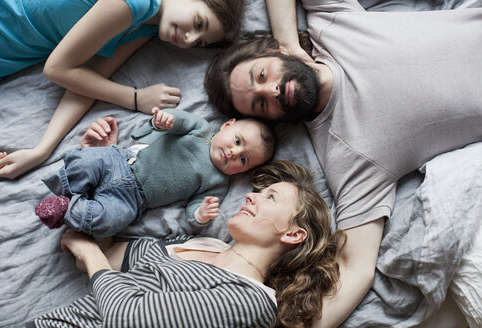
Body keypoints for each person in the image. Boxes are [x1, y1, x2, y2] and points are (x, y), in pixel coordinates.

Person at [203, 0, 482, 326]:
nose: (273, 89)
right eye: (261, 104)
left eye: (262, 74)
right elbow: (354, 269)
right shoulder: (348, 158)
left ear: (274, 52)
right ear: (271, 123)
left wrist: (289, 41)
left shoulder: (332, 24)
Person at [28, 160, 344, 328]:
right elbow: (109, 261)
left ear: (292, 234)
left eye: (270, 197)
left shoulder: (254, 302)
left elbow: (124, 316)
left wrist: (88, 250)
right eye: (258, 191)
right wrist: (98, 179)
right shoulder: (200, 241)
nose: (251, 195)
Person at [0, 0, 245, 180]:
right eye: (198, 22)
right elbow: (57, 70)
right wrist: (135, 98)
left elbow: (89, 81)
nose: (189, 39)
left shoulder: (146, 26)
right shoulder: (134, 4)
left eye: (199, 42)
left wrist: (41, 150)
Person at [34, 108, 275, 240]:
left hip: (133, 200)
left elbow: (194, 211)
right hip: (122, 161)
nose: (234, 152)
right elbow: (177, 121)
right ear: (227, 124)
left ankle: (66, 209)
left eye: (243, 159)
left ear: (245, 170)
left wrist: (201, 215)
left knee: (110, 222)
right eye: (237, 140)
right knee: (88, 161)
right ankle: (67, 187)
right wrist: (164, 121)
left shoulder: (218, 183)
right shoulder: (200, 129)